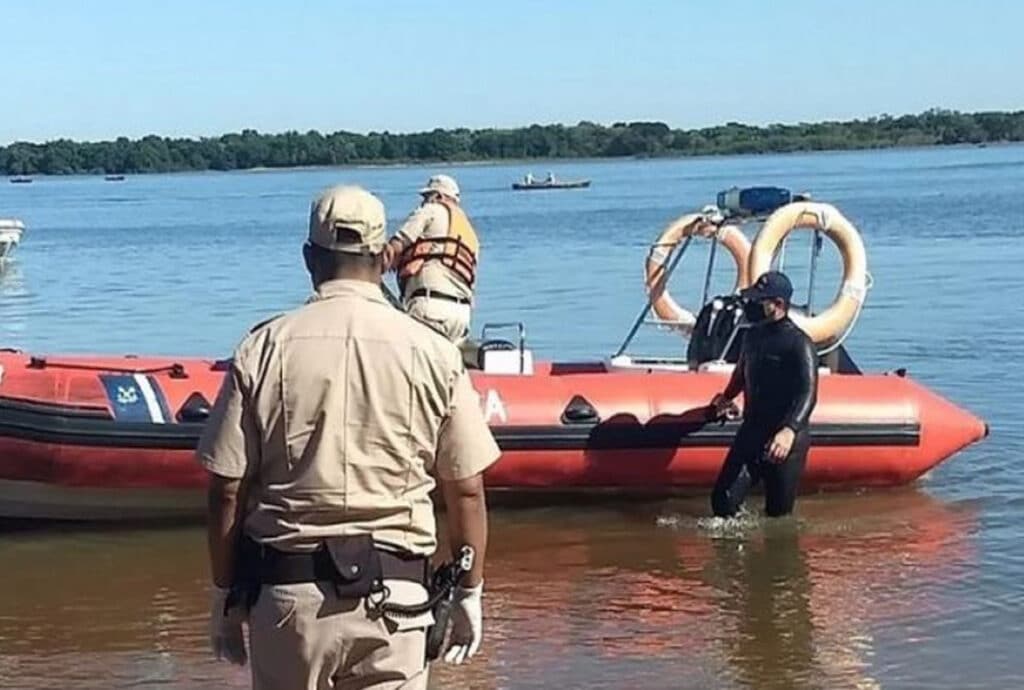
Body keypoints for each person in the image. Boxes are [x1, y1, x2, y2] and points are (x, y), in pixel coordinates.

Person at [199, 184, 501, 690]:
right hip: (398, 603)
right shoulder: (435, 354)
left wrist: (224, 596)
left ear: (308, 258)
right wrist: (470, 591)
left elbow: (227, 489)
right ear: (384, 258)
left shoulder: (262, 349)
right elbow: (466, 488)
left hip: (289, 603)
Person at [708, 270, 818, 518]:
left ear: (778, 305)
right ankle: (732, 553)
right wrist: (726, 397)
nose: (751, 306)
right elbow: (741, 374)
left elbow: (808, 393)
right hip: (752, 430)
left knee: (778, 516)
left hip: (786, 439)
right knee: (722, 500)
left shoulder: (799, 343)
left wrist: (790, 429)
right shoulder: (752, 336)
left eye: (759, 301)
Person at [382, 174, 479, 345]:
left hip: (430, 309)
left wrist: (369, 265)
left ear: (439, 196)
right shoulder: (470, 233)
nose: (423, 202)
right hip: (461, 317)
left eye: (427, 197)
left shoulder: (431, 210)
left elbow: (396, 246)